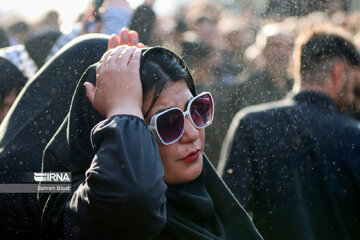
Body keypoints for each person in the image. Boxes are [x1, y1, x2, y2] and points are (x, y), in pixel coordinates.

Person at [39, 37, 263, 239]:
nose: (192, 133)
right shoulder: (86, 211)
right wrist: (123, 110)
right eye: (168, 122)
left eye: (197, 108)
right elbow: (133, 198)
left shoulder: (206, 206)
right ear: (117, 133)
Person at [218, 25, 360, 239]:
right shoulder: (353, 135)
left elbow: (226, 215)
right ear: (338, 72)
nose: (353, 92)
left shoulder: (252, 123)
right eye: (355, 77)